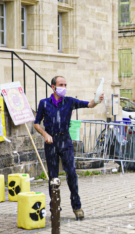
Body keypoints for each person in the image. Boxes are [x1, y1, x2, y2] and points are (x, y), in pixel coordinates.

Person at [33, 76, 104, 220]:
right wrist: (45, 134)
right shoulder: (44, 103)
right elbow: (36, 123)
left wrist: (96, 100)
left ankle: (77, 206)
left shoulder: (69, 101)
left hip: (65, 140)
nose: (63, 87)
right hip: (51, 142)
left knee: (71, 173)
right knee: (53, 177)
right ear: (53, 87)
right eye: (61, 85)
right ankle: (55, 207)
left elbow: (89, 105)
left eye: (65, 84)